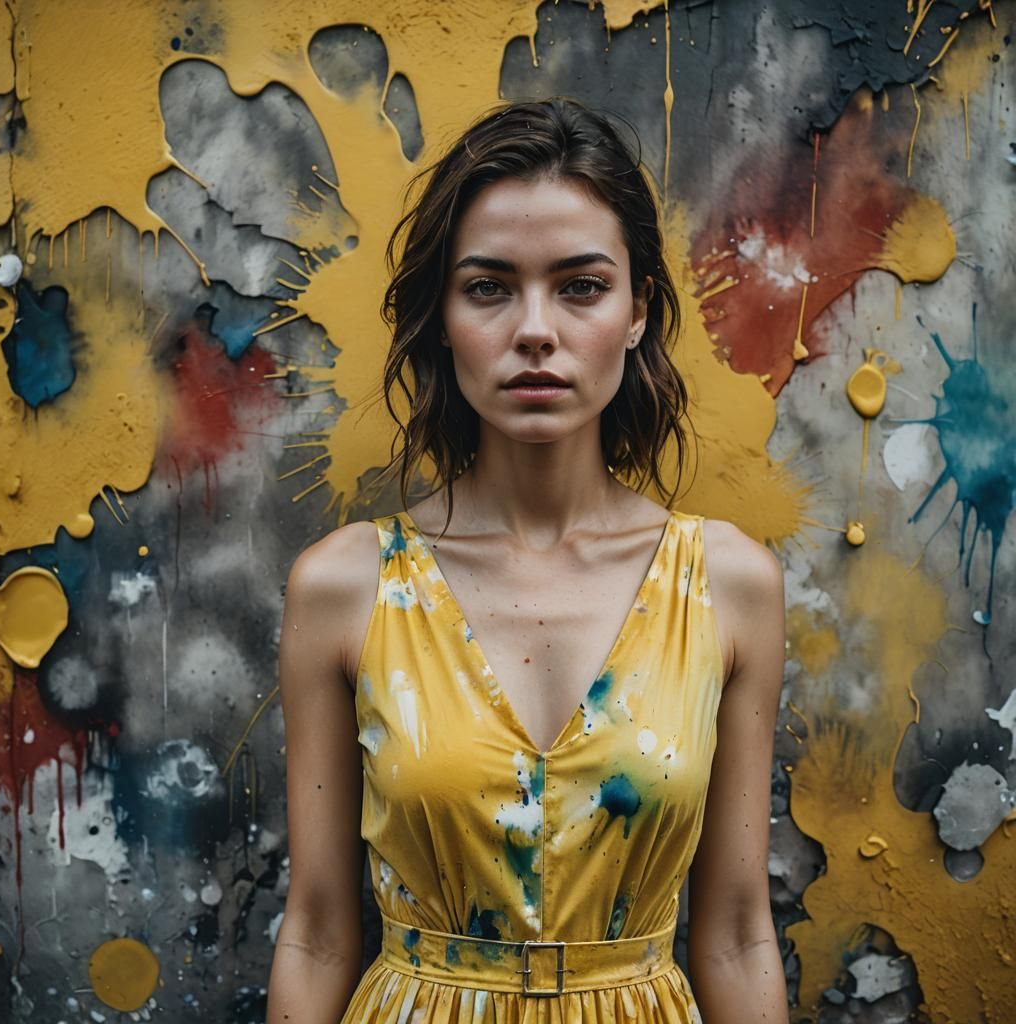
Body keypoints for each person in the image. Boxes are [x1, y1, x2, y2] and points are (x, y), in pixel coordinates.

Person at [266, 98, 788, 1024]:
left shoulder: (728, 585)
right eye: (489, 286)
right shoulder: (346, 589)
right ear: (442, 319)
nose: (536, 330)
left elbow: (739, 931)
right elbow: (316, 929)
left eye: (582, 285)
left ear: (637, 314)